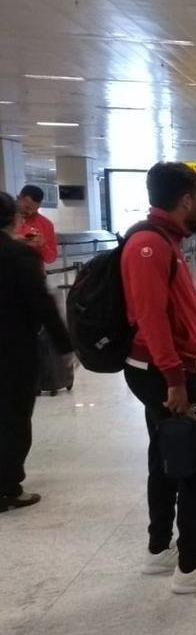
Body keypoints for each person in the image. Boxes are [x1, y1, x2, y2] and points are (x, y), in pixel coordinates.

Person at [122, 162, 196, 593]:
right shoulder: (150, 246)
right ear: (186, 200)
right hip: (162, 371)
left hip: (160, 367)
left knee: (164, 454)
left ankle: (160, 549)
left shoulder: (161, 241)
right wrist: (175, 380)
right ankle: (191, 567)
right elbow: (152, 319)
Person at [0, 192, 73, 511]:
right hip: (14, 349)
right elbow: (41, 305)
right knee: (14, 416)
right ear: (12, 218)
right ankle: (8, 486)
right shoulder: (20, 255)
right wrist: (65, 344)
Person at [15, 184, 58, 265]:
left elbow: (51, 258)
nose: (29, 212)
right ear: (18, 198)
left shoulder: (46, 224)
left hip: (34, 274)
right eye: (27, 207)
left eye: (34, 209)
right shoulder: (5, 216)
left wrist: (42, 246)